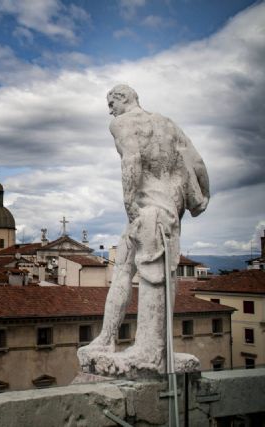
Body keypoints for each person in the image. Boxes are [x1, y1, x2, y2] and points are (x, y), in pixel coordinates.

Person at [77, 84, 209, 375]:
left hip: (146, 213)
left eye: (111, 103)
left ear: (123, 99)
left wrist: (129, 206)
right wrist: (200, 199)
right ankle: (107, 339)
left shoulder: (122, 123)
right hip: (168, 211)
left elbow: (131, 160)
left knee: (146, 277)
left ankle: (148, 351)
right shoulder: (168, 124)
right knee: (127, 269)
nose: (109, 110)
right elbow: (197, 164)